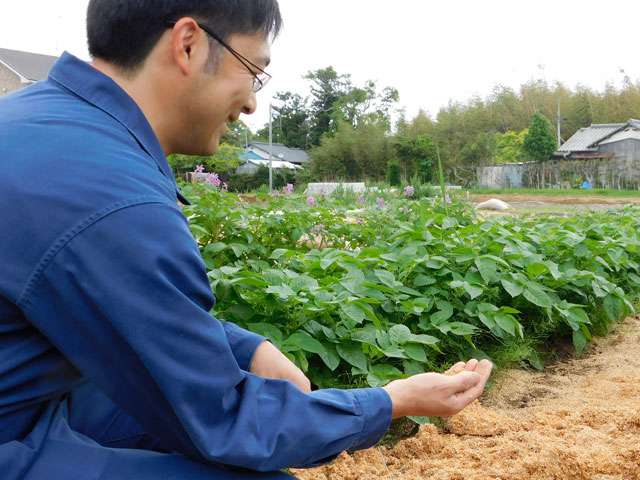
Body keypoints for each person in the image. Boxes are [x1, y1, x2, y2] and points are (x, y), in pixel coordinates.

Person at [0, 1, 493, 478]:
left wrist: (245, 348)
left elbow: (127, 309)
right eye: (252, 70)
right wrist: (393, 401)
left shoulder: (40, 119)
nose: (253, 102)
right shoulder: (112, 198)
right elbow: (228, 421)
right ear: (188, 44)